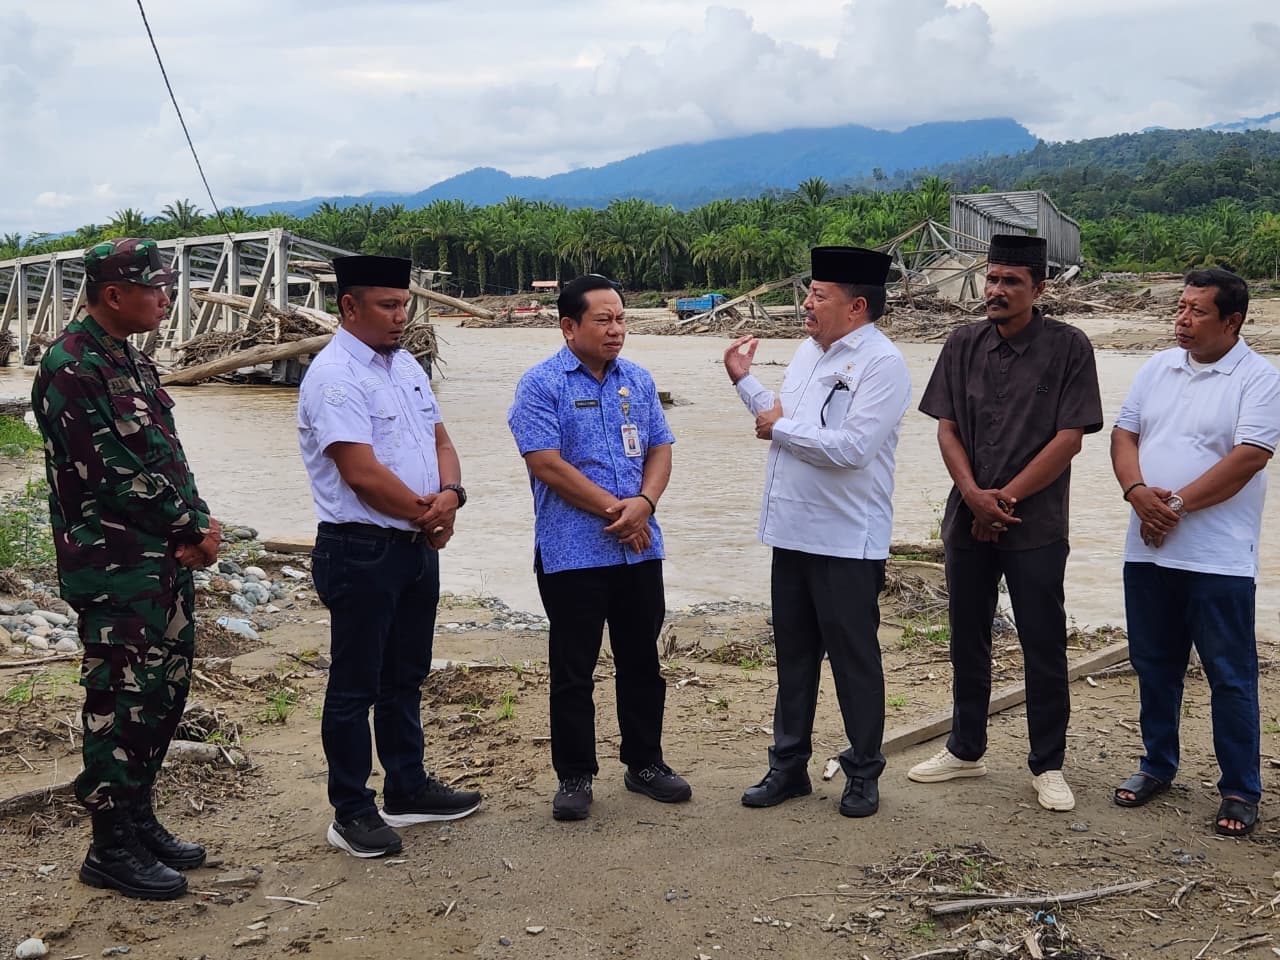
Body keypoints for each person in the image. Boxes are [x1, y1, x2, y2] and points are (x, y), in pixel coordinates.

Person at [32, 238, 220, 900]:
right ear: (114, 295)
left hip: (162, 561)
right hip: (113, 566)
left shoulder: (131, 362)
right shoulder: (70, 367)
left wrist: (201, 520)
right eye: (156, 287)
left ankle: (139, 817)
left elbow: (167, 454)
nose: (167, 297)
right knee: (118, 699)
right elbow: (109, 472)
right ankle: (108, 844)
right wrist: (188, 527)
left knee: (163, 695)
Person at [298, 255, 480, 858]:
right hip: (361, 548)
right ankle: (351, 809)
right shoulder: (333, 377)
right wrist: (428, 514)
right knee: (354, 686)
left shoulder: (404, 367)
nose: (401, 316)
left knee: (405, 675)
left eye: (404, 305)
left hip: (414, 546)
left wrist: (450, 497)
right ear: (349, 306)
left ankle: (407, 786)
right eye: (387, 305)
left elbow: (441, 441)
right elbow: (361, 474)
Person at [912, 234, 1102, 812]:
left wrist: (1005, 500)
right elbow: (946, 427)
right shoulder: (962, 343)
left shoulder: (1070, 348)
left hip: (1036, 524)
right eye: (992, 279)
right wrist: (973, 496)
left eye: (1010, 282)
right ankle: (967, 749)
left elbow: (1069, 439)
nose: (996, 291)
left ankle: (1048, 764)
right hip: (968, 520)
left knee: (1042, 643)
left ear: (1038, 289)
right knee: (967, 637)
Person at [725, 245, 911, 819]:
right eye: (809, 292)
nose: (806, 303)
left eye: (818, 295)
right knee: (794, 656)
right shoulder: (808, 353)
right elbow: (780, 418)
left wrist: (780, 429)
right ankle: (788, 767)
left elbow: (853, 448)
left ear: (856, 307)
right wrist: (743, 381)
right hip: (792, 532)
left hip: (846, 540)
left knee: (855, 660)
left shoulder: (883, 364)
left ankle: (862, 773)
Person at [507, 274, 691, 822]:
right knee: (573, 668)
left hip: (639, 548)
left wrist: (646, 505)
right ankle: (575, 776)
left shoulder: (637, 378)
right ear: (569, 326)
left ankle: (645, 763)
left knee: (641, 659)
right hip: (571, 551)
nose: (616, 330)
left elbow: (660, 447)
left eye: (621, 319)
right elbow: (546, 463)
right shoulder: (541, 384)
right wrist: (620, 511)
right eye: (603, 320)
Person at [1110, 268, 1280, 836]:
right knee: (1154, 666)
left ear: (1232, 321)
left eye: (1196, 311)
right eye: (1179, 307)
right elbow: (1124, 434)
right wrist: (1138, 494)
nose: (1181, 319)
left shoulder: (1257, 378)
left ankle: (1239, 789)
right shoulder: (1158, 367)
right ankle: (1157, 765)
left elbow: (1249, 457)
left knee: (1230, 676)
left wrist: (1173, 507)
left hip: (1217, 559)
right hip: (1148, 551)